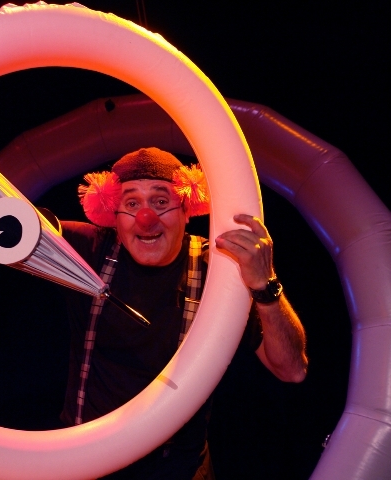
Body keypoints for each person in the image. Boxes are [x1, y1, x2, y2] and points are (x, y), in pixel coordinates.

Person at [56, 147, 308, 479]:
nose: (146, 218)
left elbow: (291, 369)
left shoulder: (219, 271)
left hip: (178, 471)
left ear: (187, 209)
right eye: (131, 204)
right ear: (114, 214)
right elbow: (9, 224)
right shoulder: (89, 248)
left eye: (161, 201)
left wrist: (265, 285)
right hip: (87, 464)